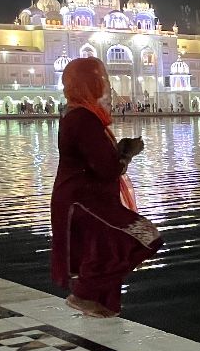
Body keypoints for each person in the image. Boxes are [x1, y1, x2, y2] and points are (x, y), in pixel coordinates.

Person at [50, 57, 162, 317]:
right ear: (87, 84)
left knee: (104, 251)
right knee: (146, 237)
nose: (108, 88)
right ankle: (84, 294)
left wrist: (119, 151)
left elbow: (99, 160)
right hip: (83, 202)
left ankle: (102, 307)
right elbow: (106, 167)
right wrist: (127, 154)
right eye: (101, 81)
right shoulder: (83, 119)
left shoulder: (80, 115)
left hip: (86, 199)